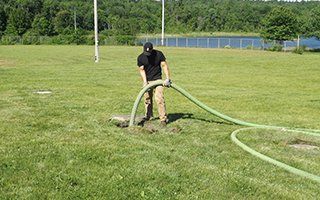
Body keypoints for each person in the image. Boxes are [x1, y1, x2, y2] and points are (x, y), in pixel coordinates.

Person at [137, 42, 171, 126]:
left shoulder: (158, 54)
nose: (147, 54)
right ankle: (148, 116)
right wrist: (145, 82)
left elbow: (164, 65)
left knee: (159, 98)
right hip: (148, 81)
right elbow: (142, 70)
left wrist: (167, 78)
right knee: (147, 99)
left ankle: (163, 119)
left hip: (158, 80)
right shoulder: (141, 57)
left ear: (152, 50)